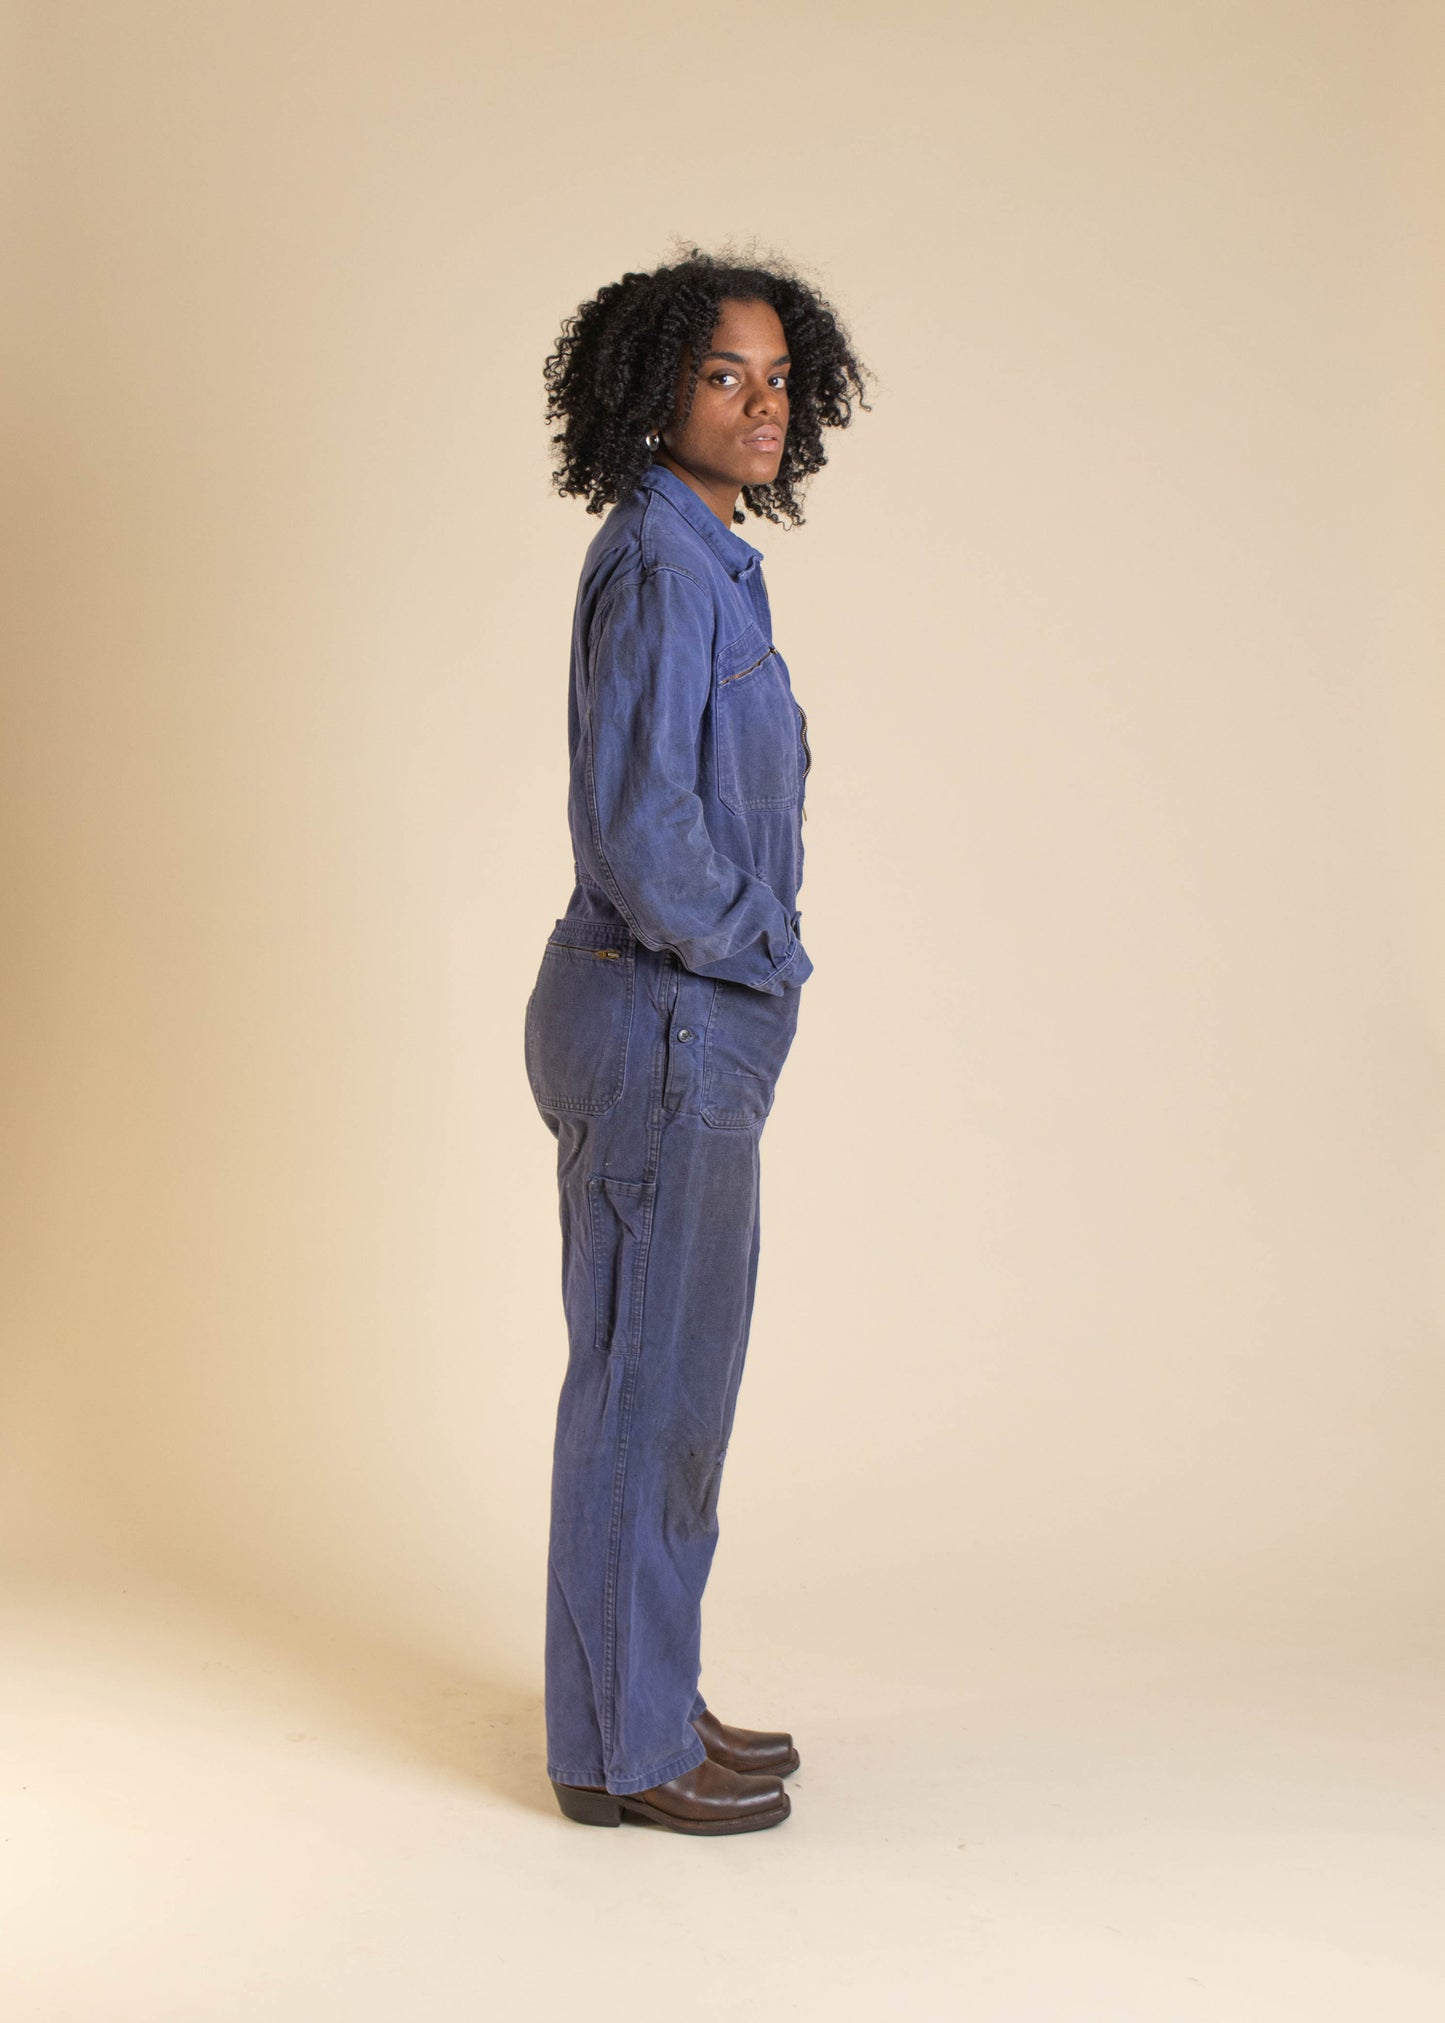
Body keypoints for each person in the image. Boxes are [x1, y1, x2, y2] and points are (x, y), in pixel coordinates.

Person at [524, 247, 869, 1834]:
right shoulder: (664, 565)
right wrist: (765, 954)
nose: (761, 405)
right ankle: (622, 1748)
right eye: (724, 375)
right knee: (646, 1396)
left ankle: (644, 1702)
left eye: (778, 378)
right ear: (652, 390)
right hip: (660, 1012)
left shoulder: (709, 558)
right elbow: (639, 830)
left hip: (678, 1017)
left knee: (668, 1396)